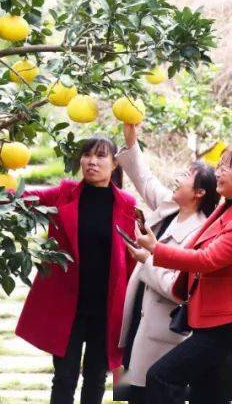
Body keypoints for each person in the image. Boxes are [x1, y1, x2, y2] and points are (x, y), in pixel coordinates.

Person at [134, 144, 232, 404]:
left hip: (222, 326)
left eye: (225, 167)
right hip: (208, 320)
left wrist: (156, 249)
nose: (218, 172)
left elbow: (207, 259)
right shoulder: (230, 206)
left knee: (161, 377)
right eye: (219, 166)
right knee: (207, 394)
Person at [10, 136, 140, 404]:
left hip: (106, 308)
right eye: (87, 155)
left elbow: (130, 260)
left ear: (115, 163)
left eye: (101, 156)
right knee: (64, 377)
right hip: (68, 305)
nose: (92, 161)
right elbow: (21, 198)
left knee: (95, 378)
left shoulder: (126, 204)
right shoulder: (64, 193)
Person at [114, 123, 220, 403]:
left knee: (154, 394)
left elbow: (177, 287)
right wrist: (131, 138)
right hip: (140, 320)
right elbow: (144, 178)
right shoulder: (171, 208)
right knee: (133, 393)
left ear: (199, 192)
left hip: (162, 332)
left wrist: (146, 259)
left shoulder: (200, 233)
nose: (178, 178)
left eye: (186, 176)